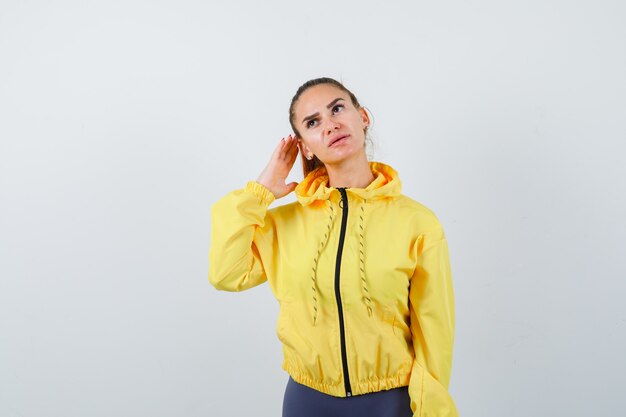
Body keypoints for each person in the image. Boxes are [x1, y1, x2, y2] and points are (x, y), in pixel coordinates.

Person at [208, 77, 459, 417]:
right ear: (305, 146)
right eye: (313, 123)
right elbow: (225, 274)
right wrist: (261, 191)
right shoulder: (282, 226)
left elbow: (435, 332)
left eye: (337, 108)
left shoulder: (417, 223)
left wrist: (433, 409)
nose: (330, 125)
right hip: (307, 401)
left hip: (390, 402)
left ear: (363, 117)